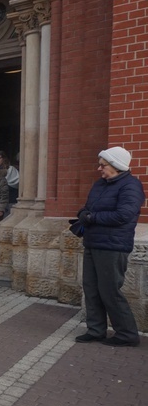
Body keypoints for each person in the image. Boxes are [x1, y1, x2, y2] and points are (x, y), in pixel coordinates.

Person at [74, 146, 143, 347]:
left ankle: (127, 334)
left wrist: (92, 217)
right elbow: (87, 207)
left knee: (110, 291)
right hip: (93, 242)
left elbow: (124, 215)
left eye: (103, 165)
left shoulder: (131, 186)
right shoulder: (100, 185)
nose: (99, 168)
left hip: (113, 246)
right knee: (92, 289)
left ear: (116, 166)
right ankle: (96, 331)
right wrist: (83, 214)